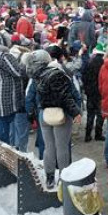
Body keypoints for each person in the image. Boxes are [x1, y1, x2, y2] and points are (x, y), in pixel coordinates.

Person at [34, 50, 81, 189]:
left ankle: (49, 177)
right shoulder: (60, 75)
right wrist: (76, 112)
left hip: (45, 114)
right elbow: (67, 96)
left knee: (49, 147)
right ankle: (63, 178)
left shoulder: (38, 75)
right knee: (62, 149)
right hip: (61, 115)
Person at [0, 33, 26, 145]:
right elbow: (18, 71)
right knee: (4, 122)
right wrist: (22, 61)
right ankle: (3, 148)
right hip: (5, 95)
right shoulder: (4, 56)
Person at [81, 43, 105, 142]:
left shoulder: (89, 62)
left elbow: (84, 77)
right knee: (100, 114)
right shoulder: (104, 64)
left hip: (90, 92)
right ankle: (98, 134)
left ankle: (87, 135)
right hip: (100, 93)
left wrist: (86, 89)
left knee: (90, 114)